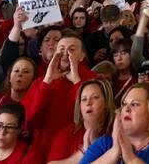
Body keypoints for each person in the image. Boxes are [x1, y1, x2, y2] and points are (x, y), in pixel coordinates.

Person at [23, 30, 97, 158]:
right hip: (43, 151)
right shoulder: (40, 82)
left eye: (72, 49)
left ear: (82, 56)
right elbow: (29, 122)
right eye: (61, 49)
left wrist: (77, 82)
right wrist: (47, 82)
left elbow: (94, 119)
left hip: (77, 152)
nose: (65, 54)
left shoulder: (95, 81)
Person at [80, 82, 149, 164]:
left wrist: (131, 159)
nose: (126, 109)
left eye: (135, 104)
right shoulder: (105, 143)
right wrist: (114, 152)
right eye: (124, 104)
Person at [48, 78, 116, 163]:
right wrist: (84, 151)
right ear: (79, 106)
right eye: (84, 99)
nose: (88, 103)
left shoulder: (115, 130)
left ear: (106, 102)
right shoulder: (69, 133)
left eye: (95, 97)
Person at [110, 38, 136, 103]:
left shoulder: (137, 80)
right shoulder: (110, 79)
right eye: (115, 55)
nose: (119, 58)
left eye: (123, 53)